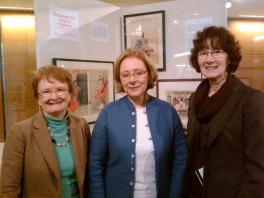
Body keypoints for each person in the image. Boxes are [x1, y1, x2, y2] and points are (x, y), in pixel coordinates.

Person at [89, 48, 187, 198]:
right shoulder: (108, 114)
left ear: (149, 74)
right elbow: (95, 166)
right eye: (125, 75)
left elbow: (180, 159)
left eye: (139, 73)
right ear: (120, 80)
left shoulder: (167, 112)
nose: (132, 80)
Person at [184, 26, 264, 198]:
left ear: (229, 58)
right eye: (203, 53)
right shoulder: (195, 99)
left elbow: (259, 171)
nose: (209, 59)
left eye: (217, 52)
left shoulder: (251, 101)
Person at [1, 65, 91, 198]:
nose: (54, 96)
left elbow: (88, 175)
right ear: (38, 98)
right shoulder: (20, 132)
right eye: (46, 91)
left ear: (70, 94)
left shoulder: (81, 126)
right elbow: (9, 189)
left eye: (60, 90)